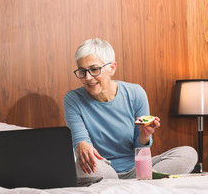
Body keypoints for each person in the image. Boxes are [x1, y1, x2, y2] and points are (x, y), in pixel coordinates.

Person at [63, 38, 197, 179]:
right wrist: (81, 144)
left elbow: (141, 149)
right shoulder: (73, 99)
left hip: (136, 168)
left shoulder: (135, 93)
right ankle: (141, 183)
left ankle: (135, 181)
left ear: (112, 68)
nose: (88, 77)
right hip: (103, 169)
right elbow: (81, 142)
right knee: (80, 165)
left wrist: (144, 135)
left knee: (188, 153)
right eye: (82, 71)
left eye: (94, 69)